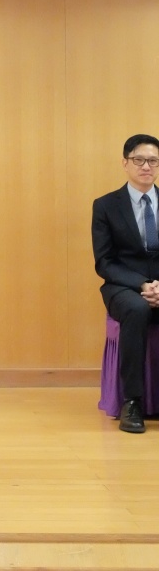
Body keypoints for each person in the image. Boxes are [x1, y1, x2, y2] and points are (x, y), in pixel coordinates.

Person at [92, 133, 159, 434]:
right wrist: (144, 285)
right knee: (136, 310)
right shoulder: (106, 205)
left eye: (153, 161)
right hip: (123, 286)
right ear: (125, 163)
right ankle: (132, 402)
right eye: (139, 160)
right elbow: (104, 262)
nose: (146, 166)